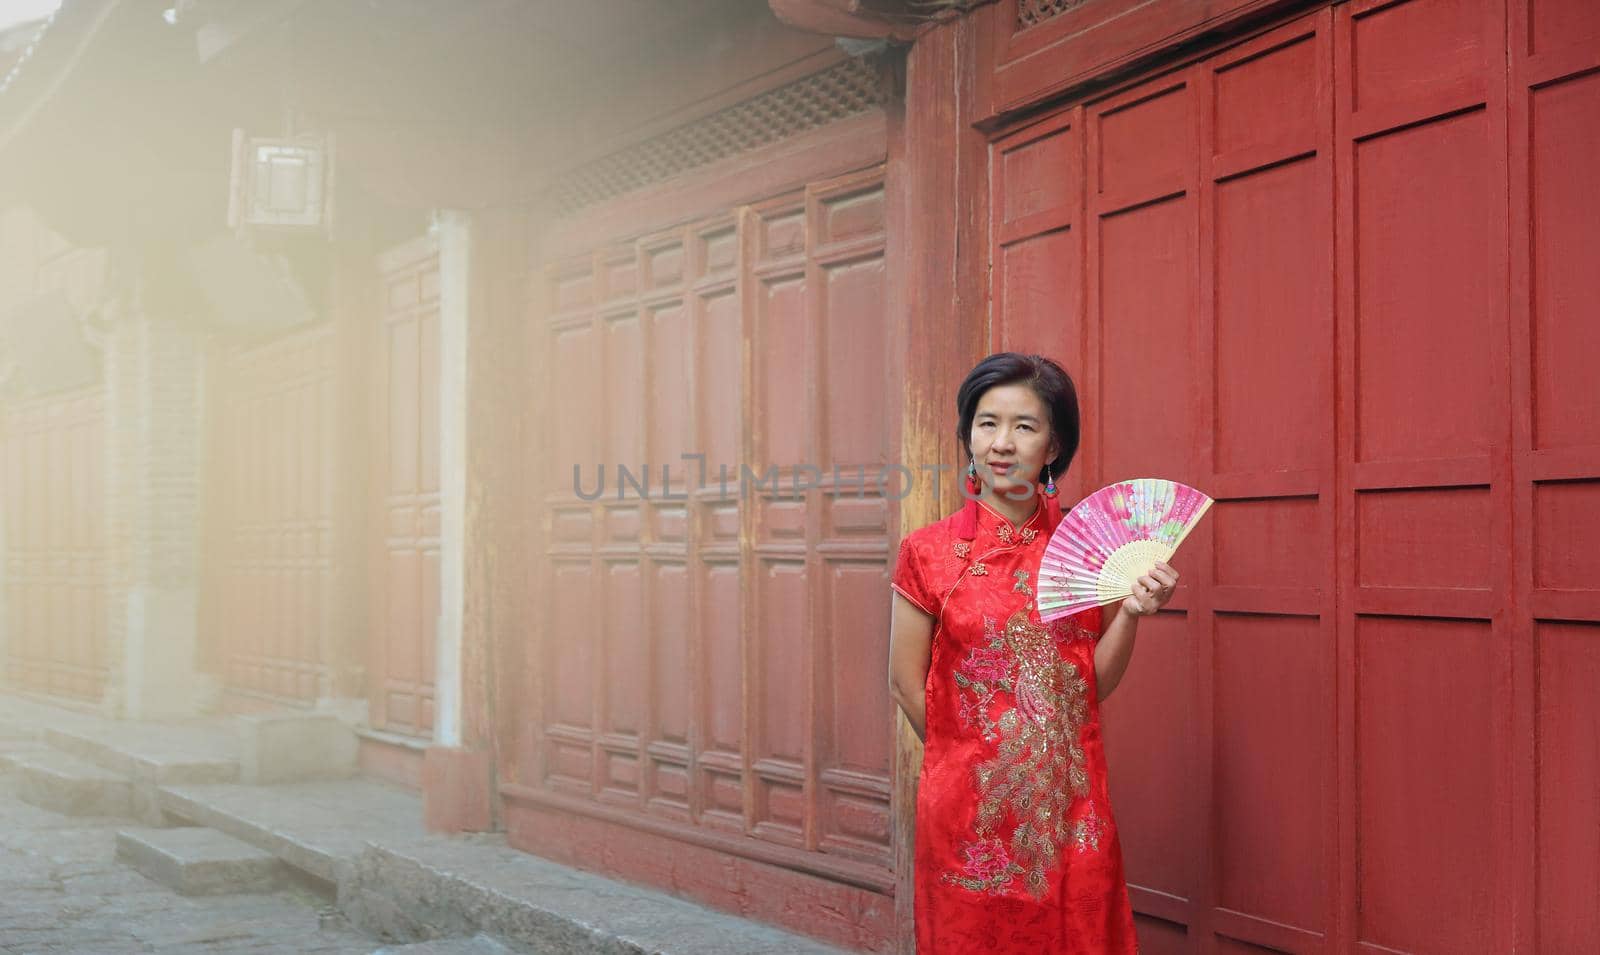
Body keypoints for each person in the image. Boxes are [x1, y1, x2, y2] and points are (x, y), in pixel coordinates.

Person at [888, 352, 1178, 953]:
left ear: (1052, 446)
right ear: (968, 435)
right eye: (986, 422)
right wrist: (965, 757)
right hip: (968, 808)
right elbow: (903, 681)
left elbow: (1089, 687)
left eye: (1024, 425)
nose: (1001, 443)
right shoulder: (929, 552)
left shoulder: (1087, 546)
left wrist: (1130, 612)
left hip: (1072, 803)